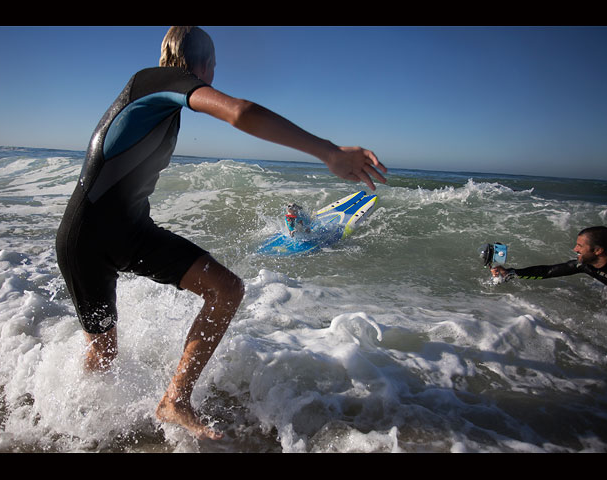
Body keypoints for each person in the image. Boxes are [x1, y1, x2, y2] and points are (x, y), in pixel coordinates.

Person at [55, 26, 387, 441]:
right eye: (213, 63)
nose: (214, 71)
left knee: (225, 289)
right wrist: (330, 152)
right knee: (103, 355)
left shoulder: (162, 102)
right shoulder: (152, 81)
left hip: (130, 233)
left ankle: (174, 400)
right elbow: (239, 111)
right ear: (202, 61)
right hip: (84, 237)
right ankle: (73, 430)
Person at [491, 226, 607, 292]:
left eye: (580, 246)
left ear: (598, 250)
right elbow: (547, 271)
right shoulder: (585, 265)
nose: (575, 249)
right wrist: (510, 273)